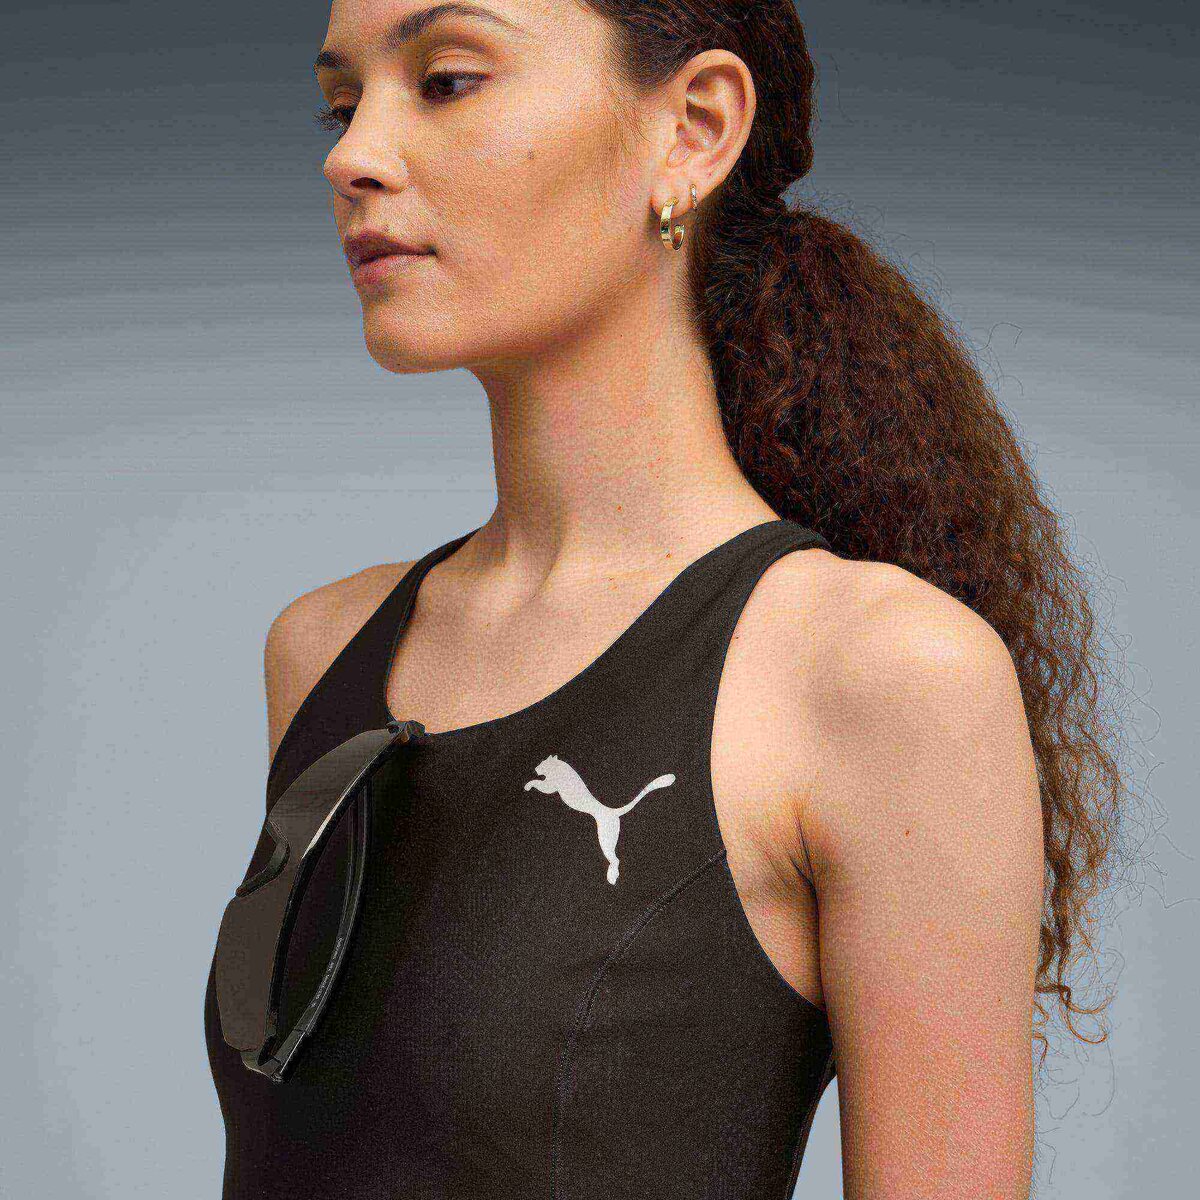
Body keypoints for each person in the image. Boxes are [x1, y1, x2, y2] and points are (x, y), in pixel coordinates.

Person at [203, 2, 1131, 1197]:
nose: (352, 155)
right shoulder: (323, 649)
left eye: (446, 80)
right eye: (341, 104)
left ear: (694, 129)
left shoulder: (876, 674)